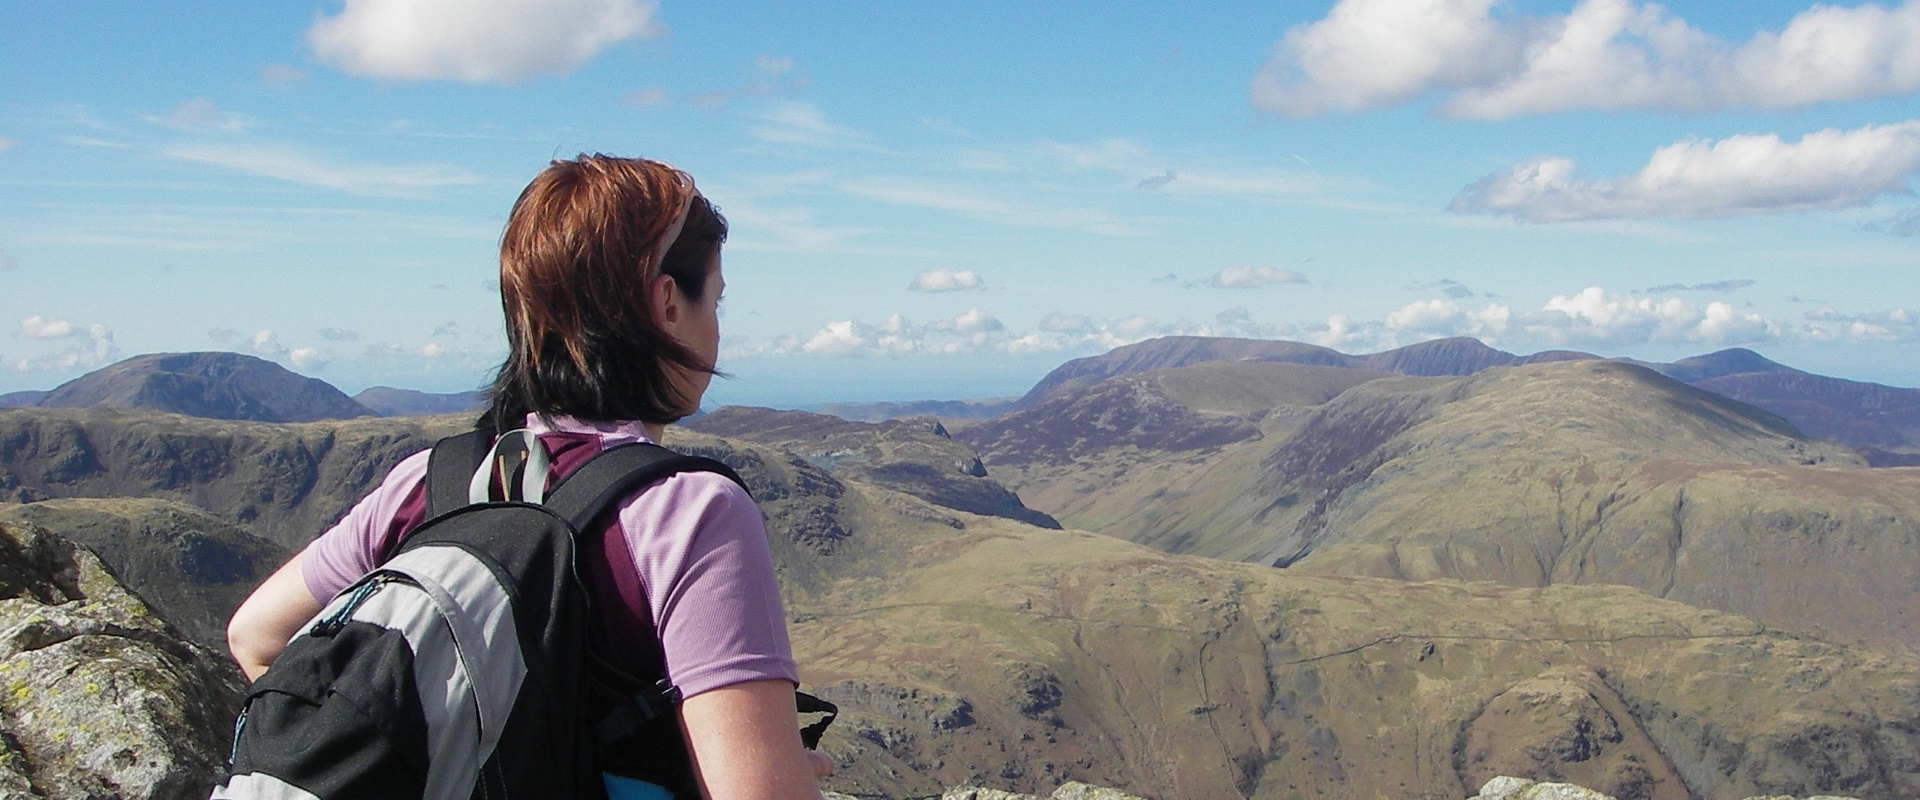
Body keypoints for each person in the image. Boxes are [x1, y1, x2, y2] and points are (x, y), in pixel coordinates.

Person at [225, 154, 829, 800]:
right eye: (714, 297)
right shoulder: (688, 511)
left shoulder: (428, 484)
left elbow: (255, 637)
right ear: (666, 303)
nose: (716, 326)